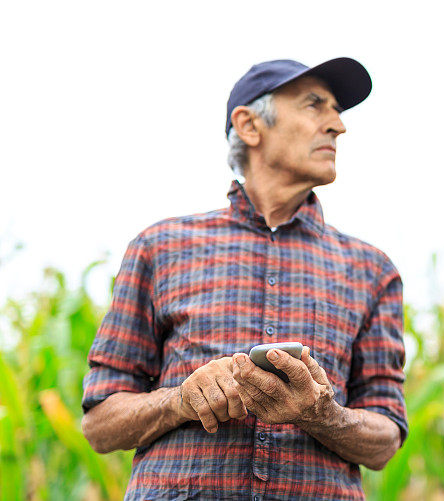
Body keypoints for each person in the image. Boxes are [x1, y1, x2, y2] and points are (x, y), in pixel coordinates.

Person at [80, 57, 408, 500]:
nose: (338, 126)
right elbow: (100, 424)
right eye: (315, 106)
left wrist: (323, 414)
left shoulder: (373, 271)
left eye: (338, 111)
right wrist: (181, 399)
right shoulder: (159, 247)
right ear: (250, 125)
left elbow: (386, 437)